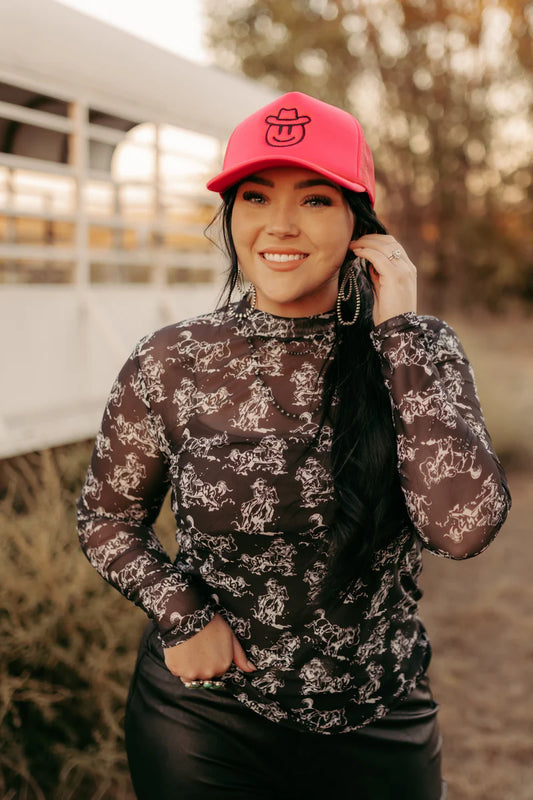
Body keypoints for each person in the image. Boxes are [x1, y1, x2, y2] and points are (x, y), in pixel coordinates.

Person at [77, 91, 511, 800]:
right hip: (206, 715)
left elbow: (460, 529)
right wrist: (182, 615)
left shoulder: (419, 348)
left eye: (313, 200)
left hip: (380, 715)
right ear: (231, 217)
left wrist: (396, 332)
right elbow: (105, 519)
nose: (279, 224)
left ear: (357, 223)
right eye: (254, 197)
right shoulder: (173, 358)